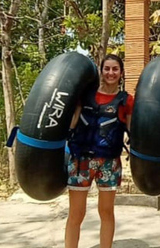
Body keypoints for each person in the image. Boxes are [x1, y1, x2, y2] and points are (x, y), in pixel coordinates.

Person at [64, 54, 134, 248]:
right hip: (81, 161)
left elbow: (132, 131)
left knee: (106, 212)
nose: (111, 73)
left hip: (109, 163)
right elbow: (73, 123)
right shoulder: (85, 96)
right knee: (76, 214)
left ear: (121, 73)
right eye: (107, 69)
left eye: (115, 69)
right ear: (101, 71)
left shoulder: (126, 101)